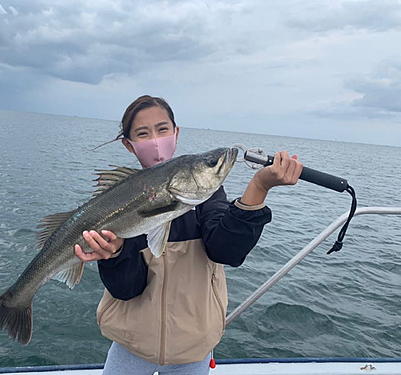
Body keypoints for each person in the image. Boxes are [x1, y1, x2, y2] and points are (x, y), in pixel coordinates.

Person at [74, 95, 303, 374]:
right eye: (142, 134)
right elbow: (126, 289)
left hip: (193, 349)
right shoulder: (124, 203)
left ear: (176, 132)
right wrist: (115, 255)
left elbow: (226, 251)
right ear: (129, 144)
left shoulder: (207, 197)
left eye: (163, 129)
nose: (155, 140)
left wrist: (259, 188)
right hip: (130, 344)